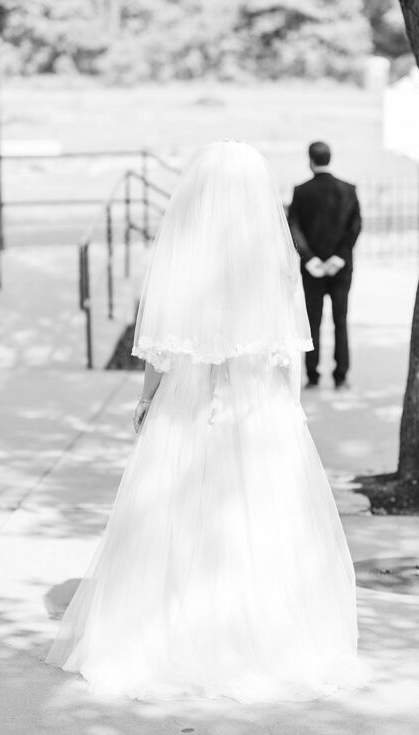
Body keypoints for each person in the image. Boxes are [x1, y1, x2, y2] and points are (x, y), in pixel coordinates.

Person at [45, 141, 368, 703]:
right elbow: (289, 346)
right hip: (256, 403)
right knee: (260, 513)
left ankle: (171, 625)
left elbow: (160, 346)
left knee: (178, 510)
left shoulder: (183, 253)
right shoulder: (270, 256)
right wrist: (290, 406)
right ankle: (263, 630)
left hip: (188, 401)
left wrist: (148, 401)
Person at [287, 141, 362, 390]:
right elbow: (355, 226)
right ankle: (341, 376)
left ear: (310, 160)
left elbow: (294, 228)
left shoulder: (301, 191)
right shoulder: (349, 189)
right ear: (330, 158)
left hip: (313, 270)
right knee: (341, 320)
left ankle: (313, 375)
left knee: (313, 321)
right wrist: (338, 258)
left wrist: (310, 259)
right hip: (341, 269)